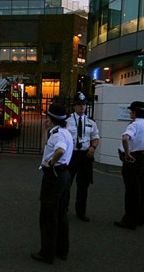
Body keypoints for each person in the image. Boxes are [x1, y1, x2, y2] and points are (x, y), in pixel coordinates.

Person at [32, 103, 73, 265]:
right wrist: (44, 132)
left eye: (47, 117)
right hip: (64, 176)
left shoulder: (58, 136)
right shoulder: (63, 132)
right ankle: (62, 250)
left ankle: (47, 253)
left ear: (53, 119)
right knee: (61, 214)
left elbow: (60, 150)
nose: (46, 120)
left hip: (54, 177)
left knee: (48, 216)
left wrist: (50, 162)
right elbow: (46, 148)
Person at [115, 101, 144, 230]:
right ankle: (141, 218)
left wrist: (127, 153)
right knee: (143, 188)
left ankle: (130, 220)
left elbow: (125, 138)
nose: (130, 113)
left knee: (132, 190)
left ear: (134, 112)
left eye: (131, 111)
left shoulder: (134, 125)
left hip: (133, 158)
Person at [66, 92, 100, 222]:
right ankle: (64, 208)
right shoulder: (67, 121)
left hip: (85, 156)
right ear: (74, 106)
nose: (82, 107)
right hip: (71, 155)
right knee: (66, 183)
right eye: (79, 104)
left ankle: (81, 211)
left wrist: (93, 147)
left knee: (83, 185)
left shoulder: (91, 122)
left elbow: (95, 137)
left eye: (84, 104)